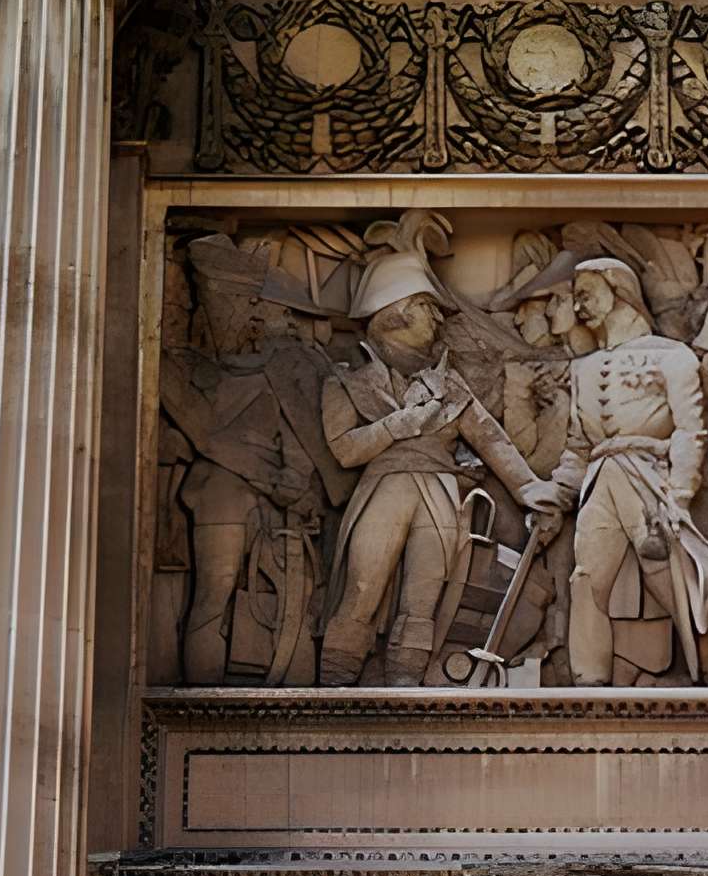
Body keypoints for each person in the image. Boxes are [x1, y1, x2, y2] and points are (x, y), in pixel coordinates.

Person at [320, 240, 559, 686]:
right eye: (427, 308)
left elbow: (494, 443)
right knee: (363, 589)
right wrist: (399, 425)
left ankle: (408, 687)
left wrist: (533, 493)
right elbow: (345, 450)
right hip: (385, 488)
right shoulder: (348, 382)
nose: (438, 319)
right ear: (398, 313)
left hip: (440, 495)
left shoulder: (450, 384)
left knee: (423, 600)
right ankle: (336, 684)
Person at [549, 258, 708, 687]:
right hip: (600, 479)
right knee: (586, 578)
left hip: (648, 476)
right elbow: (578, 447)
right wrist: (554, 496)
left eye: (585, 293)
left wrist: (680, 493)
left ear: (619, 290)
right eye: (575, 297)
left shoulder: (672, 356)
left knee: (669, 575)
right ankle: (589, 686)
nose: (578, 305)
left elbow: (689, 430)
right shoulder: (582, 368)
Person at [159, 235, 341, 685]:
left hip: (275, 503)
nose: (290, 321)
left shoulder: (289, 366)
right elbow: (207, 437)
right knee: (213, 599)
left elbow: (302, 438)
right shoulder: (189, 369)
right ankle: (201, 703)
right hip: (223, 494)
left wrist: (296, 482)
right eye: (282, 311)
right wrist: (277, 480)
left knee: (291, 603)